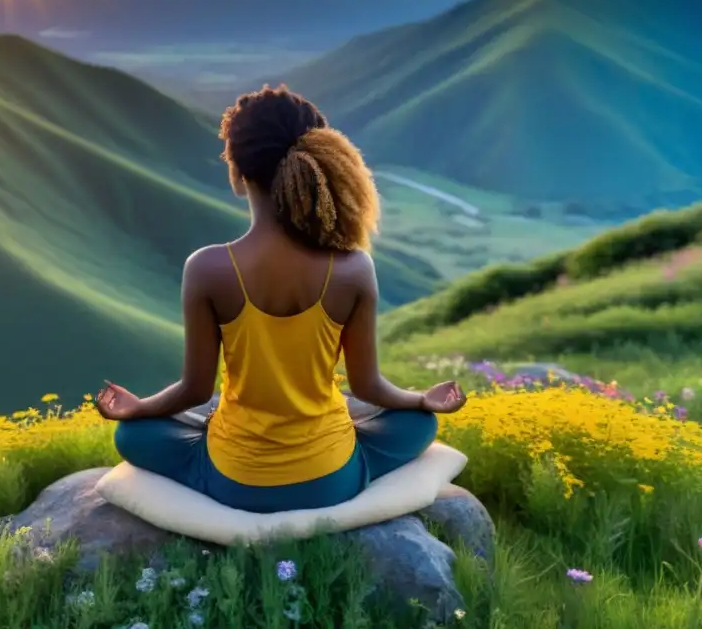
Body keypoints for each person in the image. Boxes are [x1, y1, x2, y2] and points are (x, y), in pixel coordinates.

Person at [95, 85, 466, 514]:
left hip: (236, 481)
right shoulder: (353, 268)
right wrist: (422, 400)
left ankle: (208, 471)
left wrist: (140, 408)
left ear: (237, 172)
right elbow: (368, 386)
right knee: (419, 424)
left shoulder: (208, 269)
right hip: (331, 479)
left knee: (131, 436)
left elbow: (196, 391)